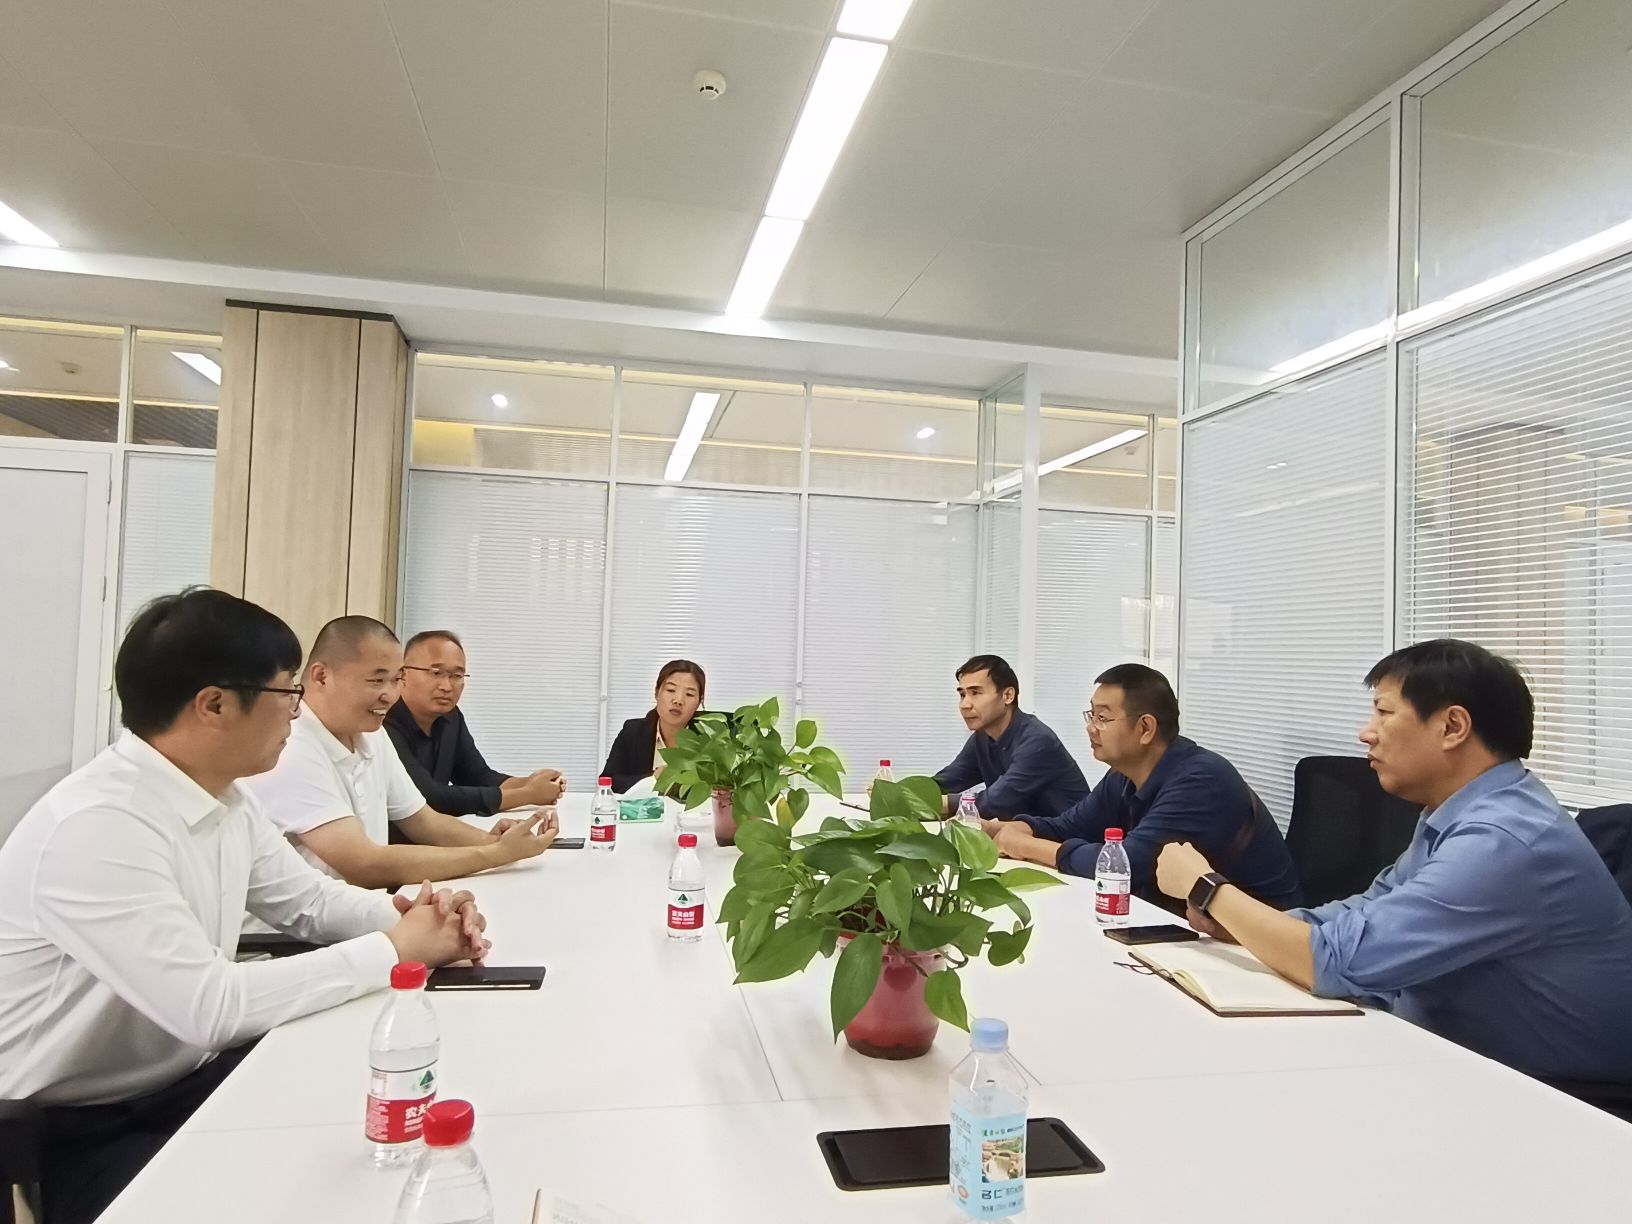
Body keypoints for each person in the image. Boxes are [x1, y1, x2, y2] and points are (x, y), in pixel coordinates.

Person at [0, 589, 492, 1224]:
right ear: (214, 705)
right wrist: (395, 949)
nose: (296, 712)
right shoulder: (98, 825)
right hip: (79, 1124)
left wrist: (415, 917)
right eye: (287, 693)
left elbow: (307, 901)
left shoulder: (226, 797)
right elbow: (210, 1007)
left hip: (188, 1079)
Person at [1155, 639, 1632, 1082]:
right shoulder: (1457, 812)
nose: (1367, 733)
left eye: (1384, 713)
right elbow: (1364, 913)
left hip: (1550, 1096)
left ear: (1453, 727)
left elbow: (1335, 961)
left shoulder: (1504, 840)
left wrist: (1208, 888)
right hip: (1443, 1051)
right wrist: (1246, 925)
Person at [248, 616, 558, 888]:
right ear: (321, 677)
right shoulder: (291, 746)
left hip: (356, 912)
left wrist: (496, 841)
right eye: (376, 680)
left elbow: (423, 821)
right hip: (293, 931)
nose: (390, 694)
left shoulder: (372, 733)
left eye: (395, 680)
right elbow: (364, 864)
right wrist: (495, 854)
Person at [986, 664, 1301, 909]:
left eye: (1102, 718)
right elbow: (1070, 826)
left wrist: (1026, 846)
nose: (1091, 728)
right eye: (1091, 715)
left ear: (1146, 728)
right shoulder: (1125, 773)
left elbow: (1125, 864)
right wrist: (1014, 829)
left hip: (1257, 942)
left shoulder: (1201, 780)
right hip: (1189, 922)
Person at [384, 629, 565, 816]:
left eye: (457, 675)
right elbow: (429, 797)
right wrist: (527, 795)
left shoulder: (451, 717)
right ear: (403, 674)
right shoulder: (383, 722)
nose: (446, 686)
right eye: (436, 673)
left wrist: (531, 782)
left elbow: (477, 776)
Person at [931, 654, 1088, 820]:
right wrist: (913, 794)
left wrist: (936, 802)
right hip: (1024, 832)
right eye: (962, 695)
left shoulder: (1037, 741)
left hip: (1069, 834)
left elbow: (995, 802)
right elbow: (946, 781)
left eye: (975, 693)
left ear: (1008, 696)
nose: (965, 705)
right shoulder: (982, 738)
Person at [603, 659, 706, 793]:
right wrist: (653, 778)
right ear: (657, 693)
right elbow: (607, 782)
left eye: (689, 694)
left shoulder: (707, 739)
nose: (678, 700)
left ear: (699, 702)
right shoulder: (633, 731)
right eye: (671, 690)